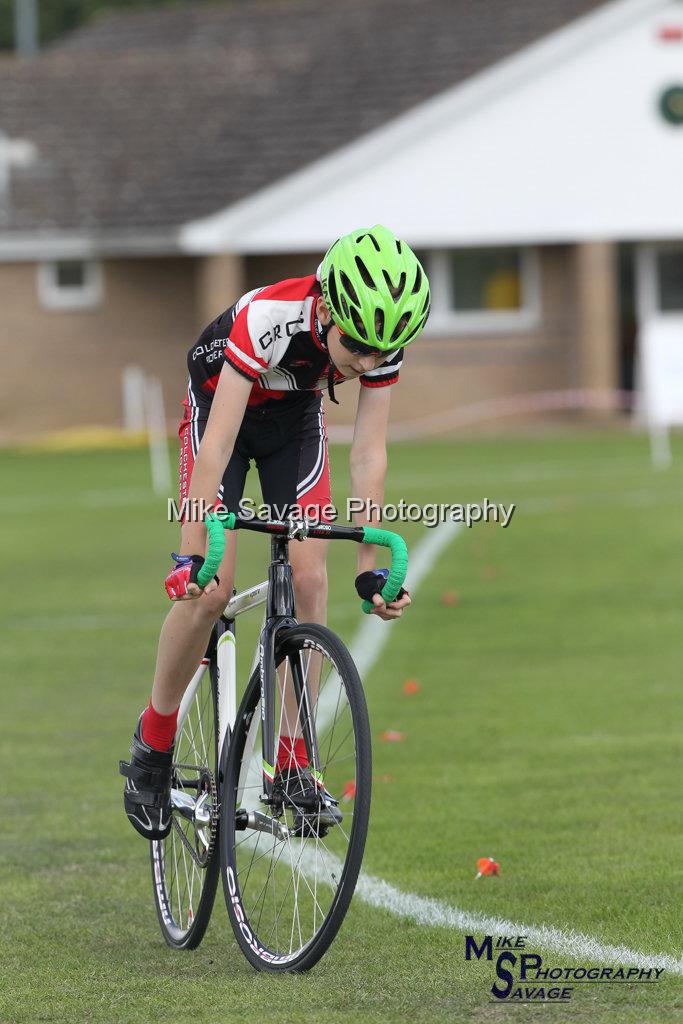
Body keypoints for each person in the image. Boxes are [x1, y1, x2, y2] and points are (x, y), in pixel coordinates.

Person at [120, 224, 431, 839]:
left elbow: (369, 453)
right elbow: (216, 444)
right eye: (359, 346)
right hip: (222, 418)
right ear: (327, 307)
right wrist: (193, 552)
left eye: (382, 352)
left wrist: (370, 565)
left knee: (311, 579)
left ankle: (291, 759)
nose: (367, 362)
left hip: (294, 424)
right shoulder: (269, 318)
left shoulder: (379, 342)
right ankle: (152, 745)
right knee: (209, 590)